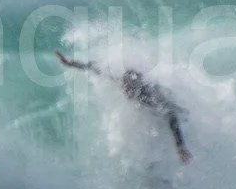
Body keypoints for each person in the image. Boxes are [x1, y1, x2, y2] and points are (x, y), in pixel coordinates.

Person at [56, 51, 192, 163]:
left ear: (137, 88)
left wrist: (180, 147)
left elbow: (171, 115)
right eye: (125, 88)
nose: (126, 93)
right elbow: (95, 68)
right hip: (155, 112)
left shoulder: (149, 96)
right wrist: (71, 63)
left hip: (174, 112)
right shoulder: (122, 80)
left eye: (130, 90)